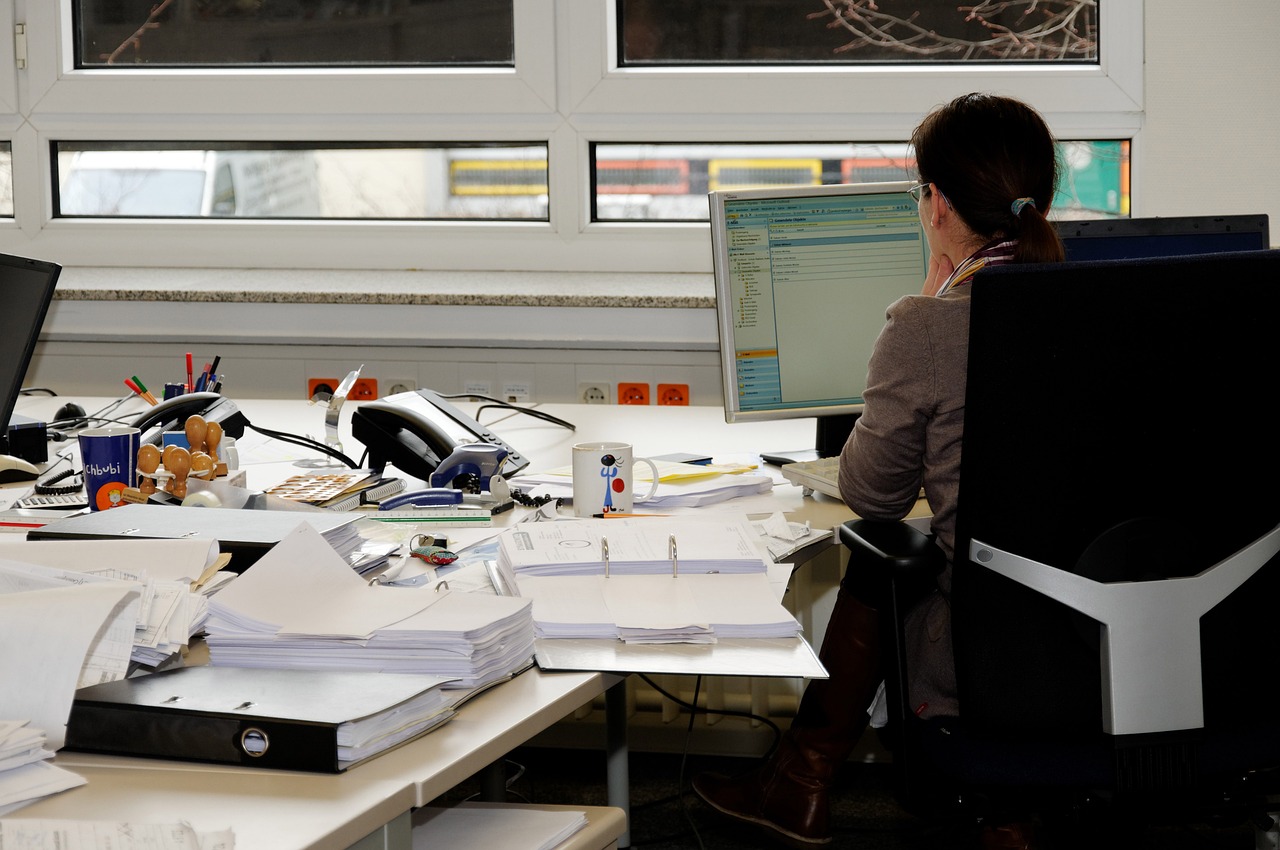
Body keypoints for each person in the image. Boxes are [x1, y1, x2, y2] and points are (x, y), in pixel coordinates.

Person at [692, 92, 1066, 848]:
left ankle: (801, 778)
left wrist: (924, 310)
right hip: (1103, 638)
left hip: (986, 657)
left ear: (934, 203)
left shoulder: (929, 325)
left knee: (886, 560)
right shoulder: (1098, 305)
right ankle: (820, 783)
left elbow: (871, 493)